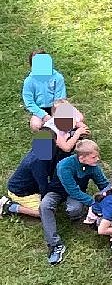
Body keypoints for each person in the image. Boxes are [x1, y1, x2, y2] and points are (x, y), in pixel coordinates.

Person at [4, 136, 85, 264]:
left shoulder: (51, 152)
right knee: (43, 211)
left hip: (35, 186)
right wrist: (50, 201)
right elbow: (43, 187)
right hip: (22, 192)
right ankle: (10, 207)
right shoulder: (38, 162)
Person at [22, 52, 86, 144]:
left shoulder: (57, 77)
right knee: (35, 125)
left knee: (79, 117)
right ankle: (54, 135)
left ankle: (71, 132)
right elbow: (29, 102)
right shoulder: (29, 81)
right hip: (40, 109)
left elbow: (59, 99)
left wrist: (56, 115)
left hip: (57, 106)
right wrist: (44, 115)